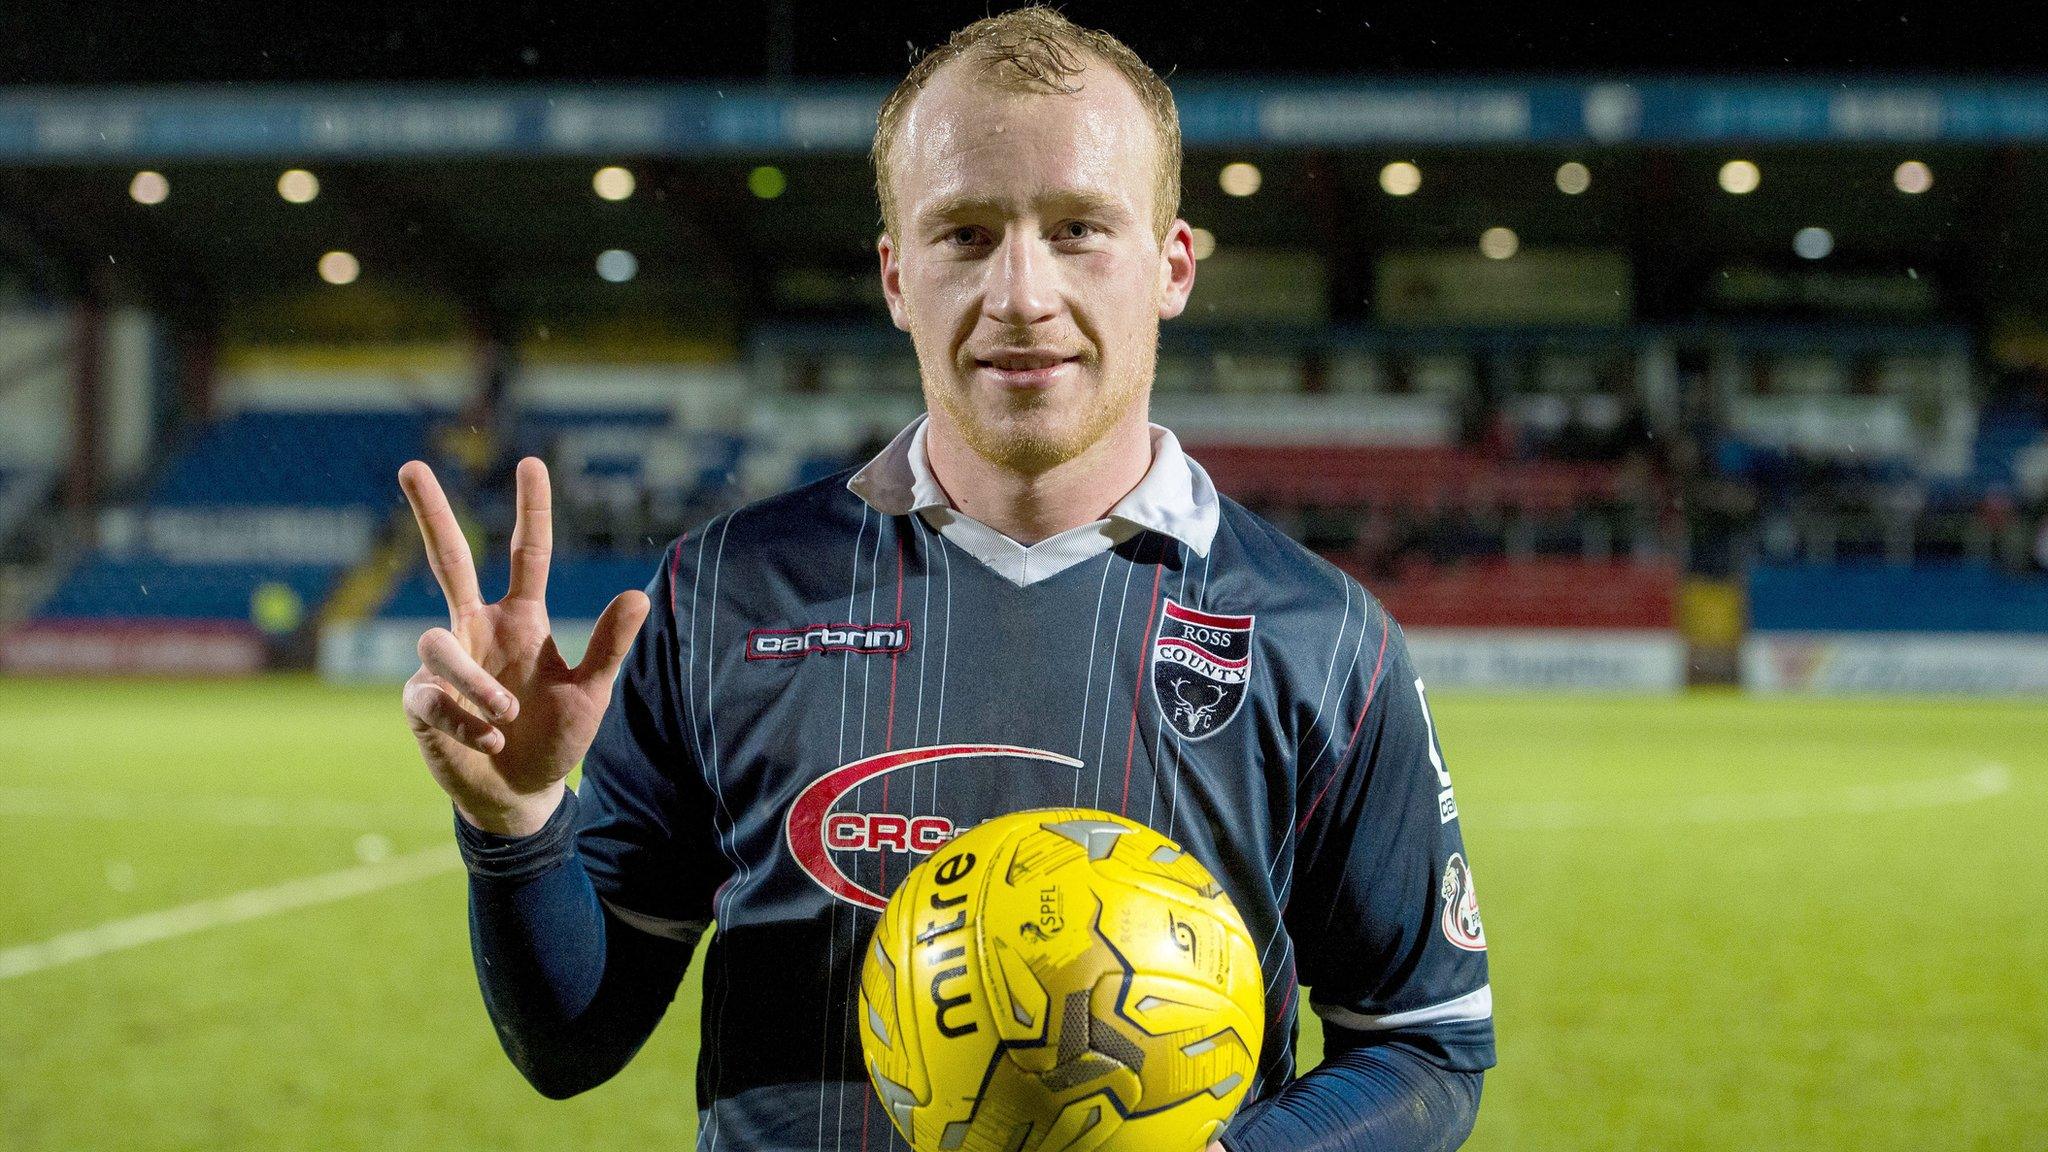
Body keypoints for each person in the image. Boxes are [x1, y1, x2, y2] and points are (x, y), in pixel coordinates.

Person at [397, 8, 1493, 1150]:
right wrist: (517, 824)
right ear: (893, 275)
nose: (1020, 294)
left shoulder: (1320, 638)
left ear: (1171, 265)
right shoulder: (724, 593)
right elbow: (573, 1042)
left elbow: (1422, 1046)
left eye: (1076, 229)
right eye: (964, 235)